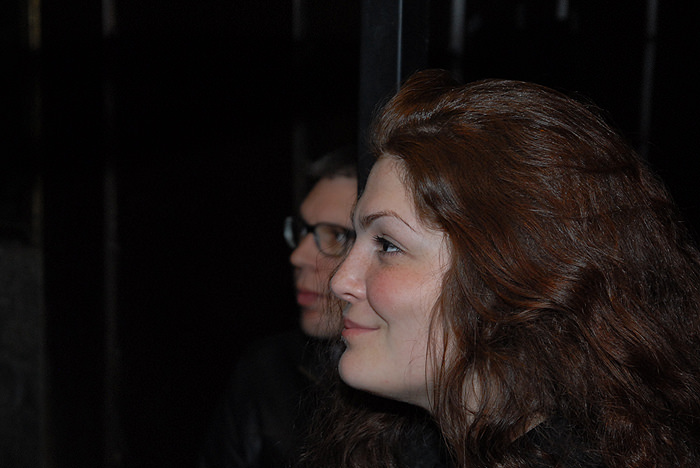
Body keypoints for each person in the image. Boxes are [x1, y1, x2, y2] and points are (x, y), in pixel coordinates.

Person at [298, 70, 700, 468]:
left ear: (510, 275)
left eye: (388, 245)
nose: (340, 280)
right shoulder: (400, 449)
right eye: (353, 238)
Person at [199, 147, 357, 468]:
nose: (298, 256)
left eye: (336, 236)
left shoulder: (427, 388)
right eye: (303, 230)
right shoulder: (266, 371)